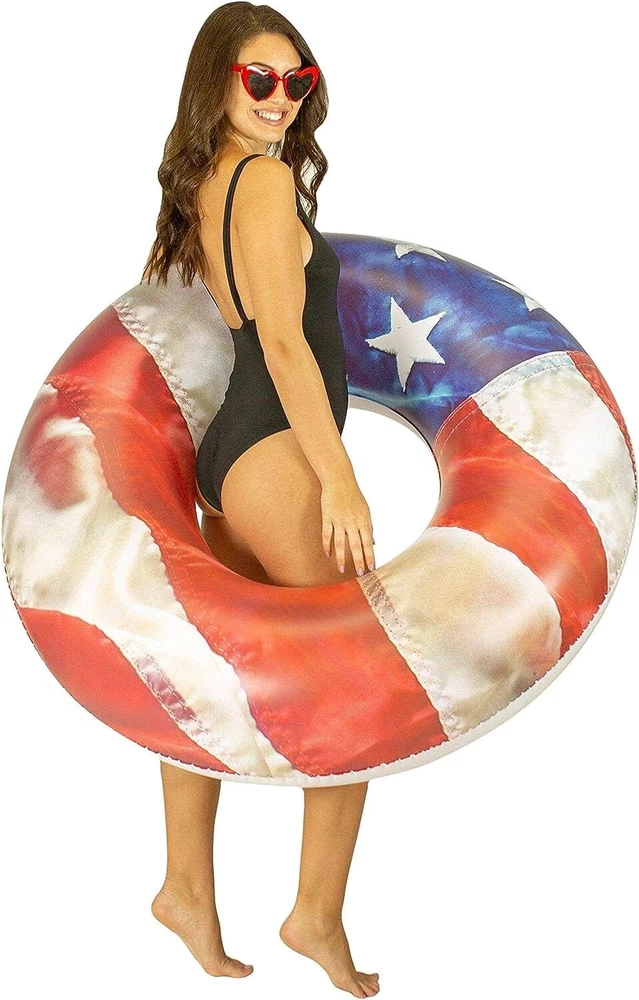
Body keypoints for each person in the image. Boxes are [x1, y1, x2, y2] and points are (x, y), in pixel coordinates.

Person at [142, 5, 379, 997]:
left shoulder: (212, 177)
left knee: (212, 668)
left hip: (230, 456)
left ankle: (185, 887)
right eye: (261, 79)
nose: (283, 97)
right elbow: (281, 343)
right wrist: (340, 480)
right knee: (366, 671)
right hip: (275, 449)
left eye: (298, 80)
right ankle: (314, 911)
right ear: (219, 82)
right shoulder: (268, 180)